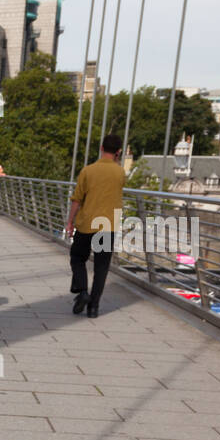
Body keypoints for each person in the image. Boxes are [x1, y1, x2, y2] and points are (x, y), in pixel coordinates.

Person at [65, 133, 126, 319]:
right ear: (118, 152)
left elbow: (77, 199)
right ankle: (94, 307)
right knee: (101, 266)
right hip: (108, 226)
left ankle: (82, 291)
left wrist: (70, 222)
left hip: (86, 224)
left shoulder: (87, 170)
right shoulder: (120, 173)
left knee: (77, 258)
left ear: (101, 148)